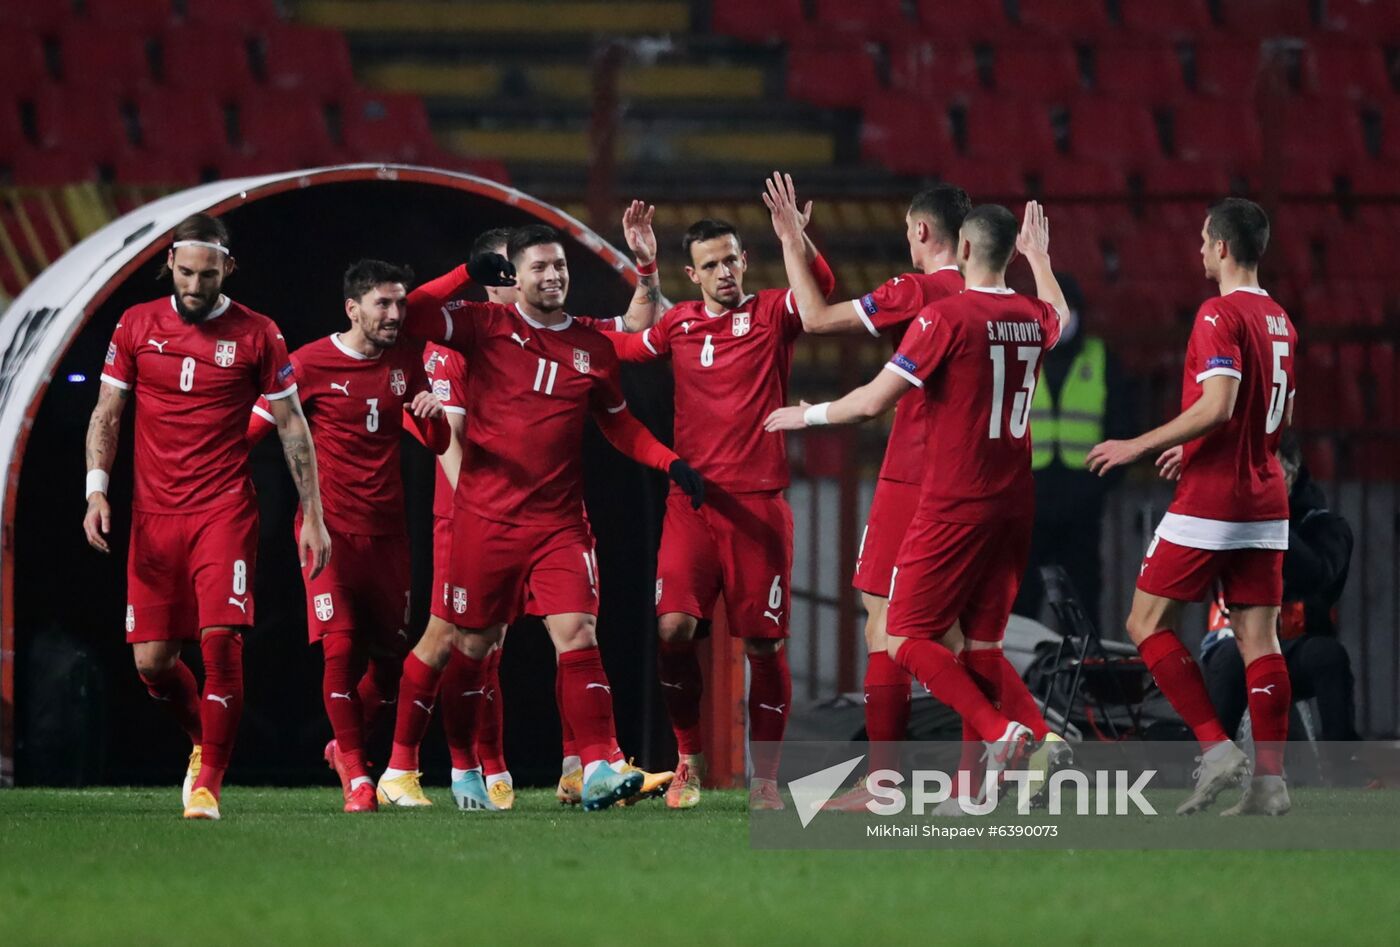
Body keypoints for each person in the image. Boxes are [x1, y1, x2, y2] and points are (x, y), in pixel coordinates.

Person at [384, 222, 705, 812]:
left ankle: (600, 763)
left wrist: (669, 461)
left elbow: (618, 421)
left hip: (559, 523)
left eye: (560, 266)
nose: (553, 275)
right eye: (540, 267)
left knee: (577, 632)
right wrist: (464, 271)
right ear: (516, 276)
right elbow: (413, 314)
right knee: (472, 648)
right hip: (484, 519)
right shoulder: (483, 328)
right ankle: (461, 767)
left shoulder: (591, 344)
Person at [765, 201, 1070, 804]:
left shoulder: (940, 311)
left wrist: (806, 414)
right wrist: (1039, 257)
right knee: (977, 642)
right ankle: (1022, 748)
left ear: (952, 245)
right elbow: (1060, 311)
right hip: (1015, 501)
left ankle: (983, 741)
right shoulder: (1035, 316)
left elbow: (858, 385)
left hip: (946, 494)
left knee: (900, 636)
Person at [83, 213, 331, 820]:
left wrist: (314, 514)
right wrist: (96, 490)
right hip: (152, 517)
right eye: (187, 272)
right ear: (169, 262)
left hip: (222, 510)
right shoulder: (136, 324)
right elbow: (107, 412)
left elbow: (293, 426)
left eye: (209, 275)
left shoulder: (258, 334)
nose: (195, 286)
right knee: (153, 664)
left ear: (229, 269)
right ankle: (204, 739)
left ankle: (208, 785)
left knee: (221, 643)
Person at [602, 180, 837, 811]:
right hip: (694, 503)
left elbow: (826, 292)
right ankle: (688, 761)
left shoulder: (772, 314)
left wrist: (797, 235)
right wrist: (644, 268)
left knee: (764, 644)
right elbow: (625, 345)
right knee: (674, 627)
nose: (724, 272)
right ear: (693, 273)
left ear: (744, 262)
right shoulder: (676, 323)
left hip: (759, 503)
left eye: (731, 259)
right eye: (711, 264)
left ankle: (766, 782)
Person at [1088, 198, 1298, 816]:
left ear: (1224, 248)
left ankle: (1216, 746)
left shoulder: (1217, 313)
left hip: (1215, 499)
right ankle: (1269, 783)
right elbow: (1267, 413)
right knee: (1260, 638)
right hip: (1265, 493)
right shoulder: (1281, 319)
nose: (1200, 251)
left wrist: (1141, 443)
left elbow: (1220, 405)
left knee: (1145, 624)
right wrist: (1200, 445)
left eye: (1205, 241)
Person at [772, 181, 970, 806]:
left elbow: (814, 318)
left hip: (914, 473)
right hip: (975, 479)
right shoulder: (998, 300)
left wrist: (787, 242)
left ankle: (884, 782)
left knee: (884, 622)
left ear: (920, 231)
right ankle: (985, 766)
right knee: (959, 635)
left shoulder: (917, 292)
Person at [246, 259, 449, 813]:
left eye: (401, 304)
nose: (395, 314)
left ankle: (345, 746)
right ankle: (359, 778)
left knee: (389, 664)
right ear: (352, 308)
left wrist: (432, 415)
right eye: (383, 304)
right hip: (328, 531)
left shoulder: (408, 359)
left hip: (389, 535)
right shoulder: (306, 363)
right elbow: (251, 433)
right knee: (340, 651)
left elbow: (435, 439)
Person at [1201, 434, 1357, 744]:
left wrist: (1273, 522)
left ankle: (1345, 767)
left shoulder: (1323, 527)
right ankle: (1211, 758)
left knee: (1328, 657)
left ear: (1293, 472)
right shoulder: (1230, 520)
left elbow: (1318, 575)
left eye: (1270, 474)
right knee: (1230, 660)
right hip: (1234, 641)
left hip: (1294, 645)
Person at [1016, 273, 1136, 625]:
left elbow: (1123, 428)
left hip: (1081, 506)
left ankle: (1085, 679)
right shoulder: (1019, 357)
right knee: (1021, 604)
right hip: (1027, 502)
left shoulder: (1101, 359)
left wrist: (1096, 488)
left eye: (1069, 310)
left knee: (1083, 603)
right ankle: (1023, 679)